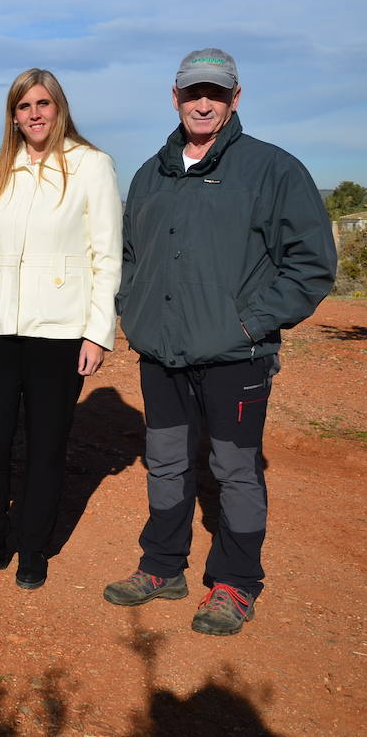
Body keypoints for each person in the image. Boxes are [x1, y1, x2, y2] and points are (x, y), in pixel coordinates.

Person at [103, 49, 335, 635]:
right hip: (162, 352)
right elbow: (131, 256)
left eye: (215, 92)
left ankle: (235, 582)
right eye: (191, 93)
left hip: (236, 356)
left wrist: (250, 324)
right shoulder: (150, 173)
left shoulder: (273, 169)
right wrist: (133, 311)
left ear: (235, 97)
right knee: (166, 461)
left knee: (234, 468)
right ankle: (162, 566)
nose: (202, 103)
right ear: (174, 97)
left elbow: (310, 264)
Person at [0, 68, 122, 590]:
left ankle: (33, 549)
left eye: (43, 104)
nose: (34, 114)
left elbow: (106, 256)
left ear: (59, 108)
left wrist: (97, 332)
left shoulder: (92, 166)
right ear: (13, 115)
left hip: (59, 331)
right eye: (23, 106)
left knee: (47, 446)